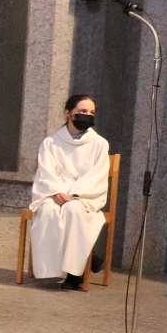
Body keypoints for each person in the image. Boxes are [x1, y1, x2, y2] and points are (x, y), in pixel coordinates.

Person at [28, 94, 109, 290]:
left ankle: (75, 274)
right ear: (68, 113)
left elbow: (97, 176)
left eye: (91, 112)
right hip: (55, 193)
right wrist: (56, 192)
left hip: (84, 195)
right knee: (48, 212)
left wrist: (74, 194)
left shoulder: (99, 144)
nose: (87, 115)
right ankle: (60, 267)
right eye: (82, 111)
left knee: (73, 211)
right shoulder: (51, 143)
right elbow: (46, 172)